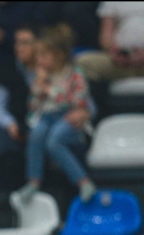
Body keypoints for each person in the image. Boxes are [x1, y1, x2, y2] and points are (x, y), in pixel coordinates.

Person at [16, 24, 97, 203]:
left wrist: (50, 91)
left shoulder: (75, 74)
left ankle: (83, 181)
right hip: (47, 117)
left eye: (44, 55)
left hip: (69, 117)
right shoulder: (42, 76)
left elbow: (78, 102)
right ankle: (33, 181)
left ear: (59, 55)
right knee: (36, 135)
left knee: (54, 141)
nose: (39, 60)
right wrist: (38, 89)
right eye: (38, 55)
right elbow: (33, 105)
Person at [76, 2, 144, 131]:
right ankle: (95, 123)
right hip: (122, 62)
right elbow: (106, 34)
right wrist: (114, 52)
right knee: (83, 63)